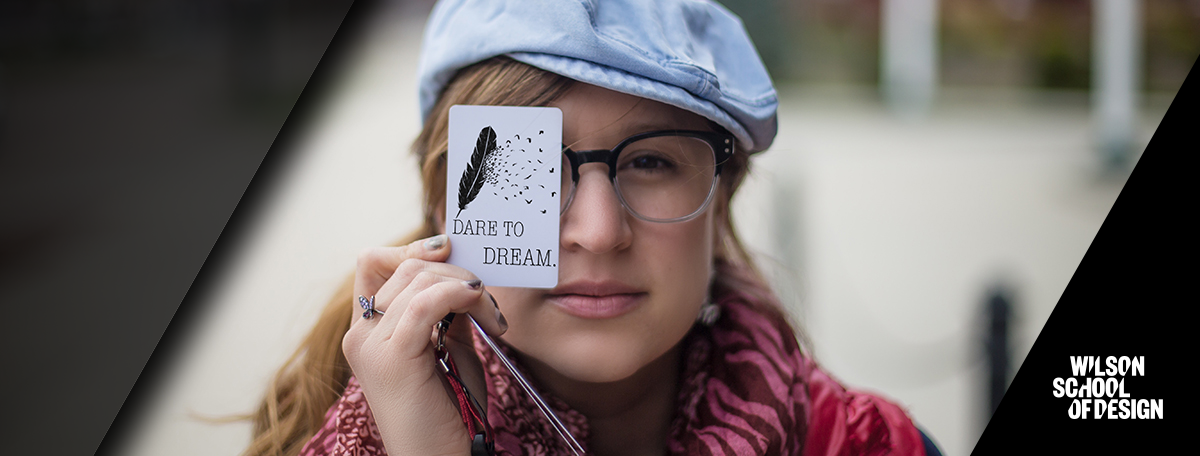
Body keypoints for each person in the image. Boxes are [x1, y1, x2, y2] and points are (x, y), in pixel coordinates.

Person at [245, 1, 941, 455]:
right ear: (444, 208)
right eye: (529, 165)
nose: (600, 232)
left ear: (720, 198)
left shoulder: (874, 444)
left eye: (650, 160)